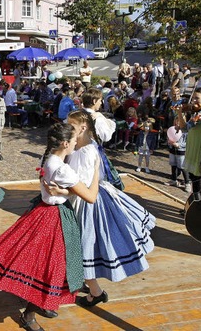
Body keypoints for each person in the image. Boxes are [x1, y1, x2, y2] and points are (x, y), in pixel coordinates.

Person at [0, 123, 100, 331]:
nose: (77, 142)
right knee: (51, 269)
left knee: (46, 265)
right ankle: (29, 315)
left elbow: (59, 189)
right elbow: (91, 196)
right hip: (56, 219)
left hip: (43, 212)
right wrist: (95, 171)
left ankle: (43, 304)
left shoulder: (50, 159)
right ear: (66, 143)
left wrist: (64, 193)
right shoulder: (64, 170)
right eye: (74, 139)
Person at [65, 110, 155, 307]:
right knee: (79, 247)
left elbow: (81, 182)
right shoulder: (79, 147)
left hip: (86, 201)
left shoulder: (87, 151)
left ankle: (95, 291)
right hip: (85, 197)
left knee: (82, 247)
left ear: (83, 127)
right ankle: (87, 285)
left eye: (71, 125)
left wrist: (59, 189)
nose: (67, 127)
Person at [177, 87, 201, 195]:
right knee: (194, 177)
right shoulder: (196, 112)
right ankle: (195, 201)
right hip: (193, 145)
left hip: (200, 147)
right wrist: (180, 113)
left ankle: (198, 205)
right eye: (193, 98)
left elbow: (185, 128)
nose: (194, 101)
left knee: (198, 179)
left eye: (197, 98)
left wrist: (180, 113)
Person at [165, 116, 188, 188]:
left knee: (183, 167)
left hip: (181, 151)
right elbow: (169, 137)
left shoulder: (186, 130)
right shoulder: (172, 129)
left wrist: (179, 145)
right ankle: (173, 180)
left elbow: (188, 142)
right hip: (172, 150)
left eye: (179, 121)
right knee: (173, 165)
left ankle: (187, 183)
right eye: (176, 121)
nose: (177, 123)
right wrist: (169, 142)